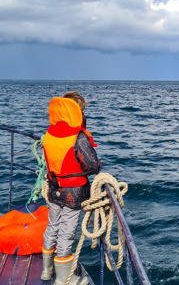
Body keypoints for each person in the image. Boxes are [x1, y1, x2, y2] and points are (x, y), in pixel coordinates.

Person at [41, 91, 101, 285]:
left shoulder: (49, 134)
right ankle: (63, 279)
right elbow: (92, 166)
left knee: (52, 228)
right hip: (74, 194)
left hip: (54, 189)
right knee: (66, 233)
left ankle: (46, 270)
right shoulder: (78, 137)